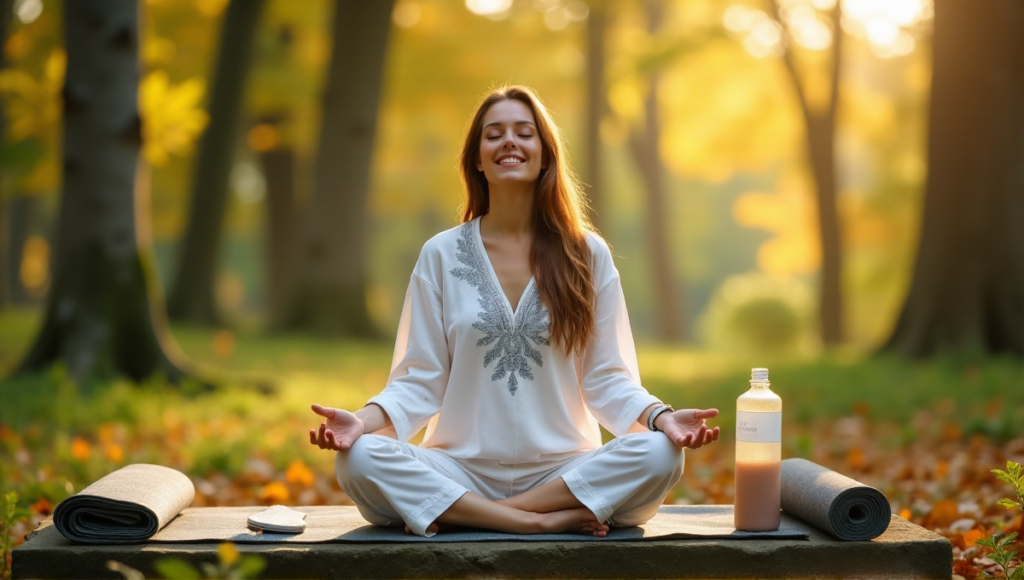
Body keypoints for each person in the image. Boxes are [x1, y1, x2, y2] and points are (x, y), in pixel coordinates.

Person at [309, 85, 720, 538]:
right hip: (457, 468)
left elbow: (607, 378)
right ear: (477, 160)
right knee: (359, 458)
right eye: (494, 134)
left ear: (545, 155)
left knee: (662, 454)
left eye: (525, 133)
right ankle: (534, 522)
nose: (509, 141)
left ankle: (471, 513)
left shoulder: (587, 253)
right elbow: (421, 378)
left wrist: (662, 418)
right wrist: (361, 421)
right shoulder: (441, 254)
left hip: (565, 471)